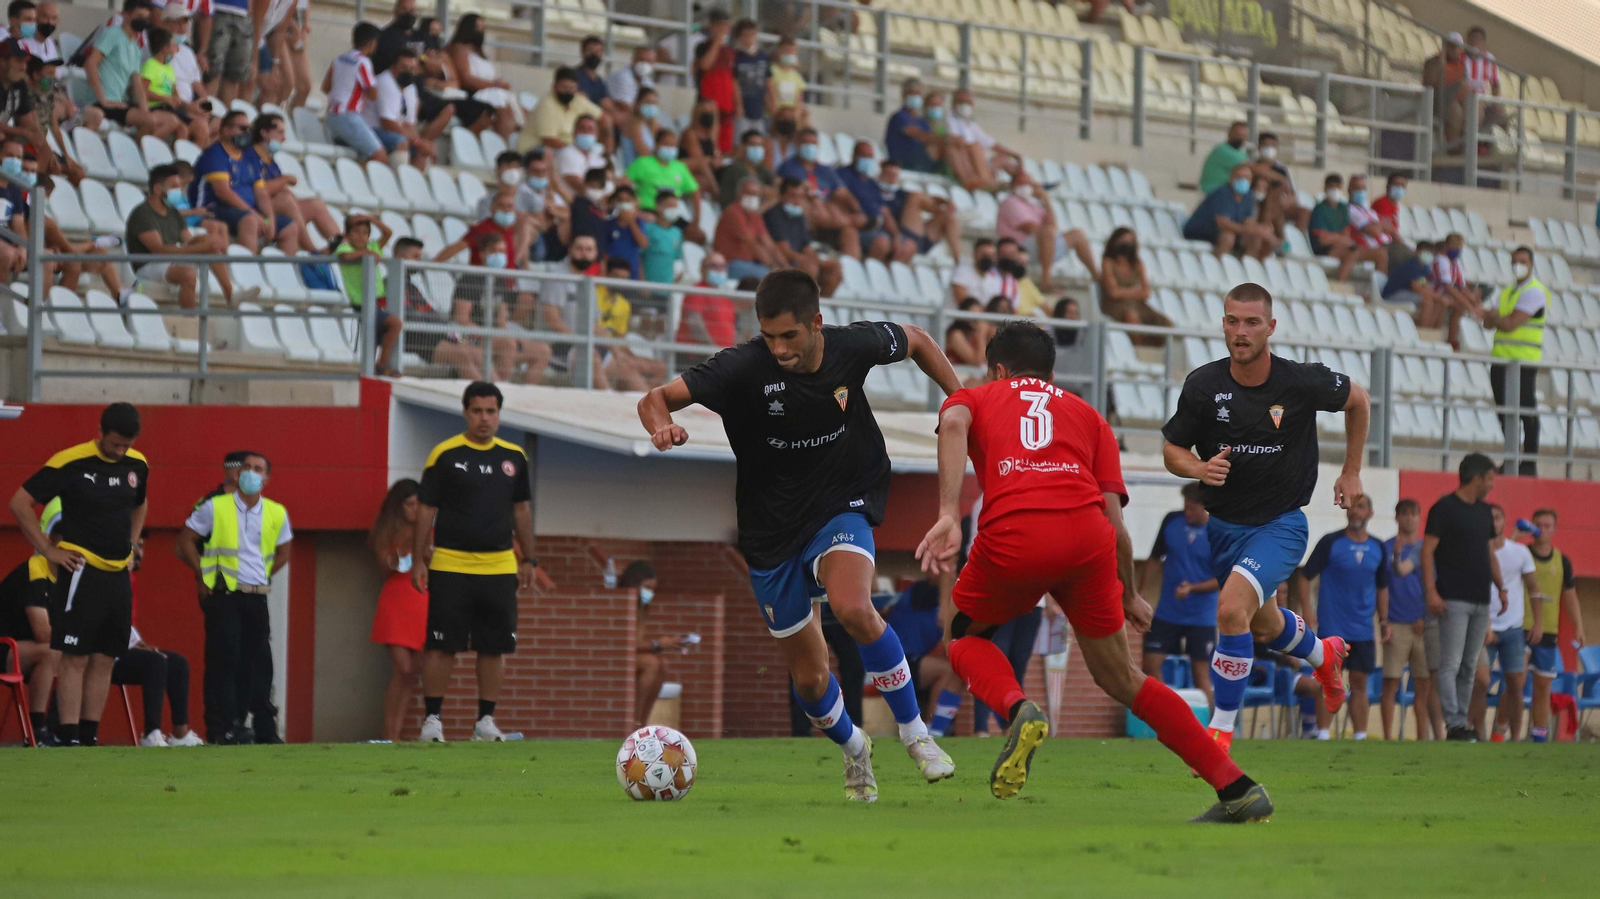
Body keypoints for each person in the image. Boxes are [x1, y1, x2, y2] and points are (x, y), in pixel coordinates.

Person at [914, 322, 1264, 819]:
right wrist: (1128, 593)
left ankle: (1017, 708)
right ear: (1052, 374)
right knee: (1123, 676)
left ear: (998, 371)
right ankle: (1236, 788)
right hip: (1088, 541)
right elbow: (1117, 526)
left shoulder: (978, 396)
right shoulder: (1090, 416)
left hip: (1015, 535)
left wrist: (949, 512)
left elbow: (952, 424)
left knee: (963, 637)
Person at [638, 269, 962, 801]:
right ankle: (855, 749)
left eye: (789, 335)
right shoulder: (742, 367)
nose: (779, 348)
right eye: (769, 336)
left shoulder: (852, 346)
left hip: (843, 501)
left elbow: (920, 341)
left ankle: (916, 735)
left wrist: (960, 402)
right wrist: (661, 426)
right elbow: (655, 397)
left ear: (816, 323)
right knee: (810, 680)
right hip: (771, 530)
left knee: (854, 607)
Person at [1161, 282, 1368, 758]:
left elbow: (1359, 400)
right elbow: (1172, 449)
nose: (1241, 331)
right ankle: (1323, 654)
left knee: (1230, 610)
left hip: (1281, 525)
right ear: (1223, 324)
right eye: (1233, 321)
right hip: (1223, 529)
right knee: (1263, 625)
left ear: (1270, 327)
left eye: (1252, 322)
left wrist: (1351, 470)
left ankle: (1220, 732)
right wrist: (1198, 468)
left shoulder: (1300, 381)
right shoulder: (1203, 385)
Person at [411, 382, 554, 742]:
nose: (484, 418)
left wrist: (530, 559)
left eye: (491, 411)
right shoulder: (444, 454)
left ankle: (485, 722)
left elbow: (521, 510)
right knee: (442, 644)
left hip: (499, 567)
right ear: (465, 412)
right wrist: (418, 559)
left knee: (495, 646)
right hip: (449, 564)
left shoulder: (514, 457)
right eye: (477, 411)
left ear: (499, 414)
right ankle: (432, 720)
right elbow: (426, 508)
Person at [7, 403, 147, 747]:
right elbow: (19, 503)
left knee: (105, 657)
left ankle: (89, 735)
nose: (120, 451)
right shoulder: (70, 461)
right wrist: (48, 550)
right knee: (75, 655)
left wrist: (132, 543)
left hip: (117, 573)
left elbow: (140, 502)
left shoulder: (137, 464)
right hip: (82, 570)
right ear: (100, 432)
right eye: (115, 444)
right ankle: (67, 734)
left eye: (126, 445)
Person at [175, 451, 291, 744]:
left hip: (256, 595)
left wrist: (262, 575)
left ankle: (249, 724)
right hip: (223, 594)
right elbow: (184, 542)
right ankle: (222, 727)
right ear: (238, 474)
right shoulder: (214, 506)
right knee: (223, 661)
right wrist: (203, 574)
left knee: (256, 663)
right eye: (246, 467)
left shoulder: (276, 512)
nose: (251, 472)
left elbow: (284, 552)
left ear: (267, 478)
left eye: (258, 468)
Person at [1421, 452, 1503, 742]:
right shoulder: (1444, 508)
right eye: (1490, 479)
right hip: (1453, 599)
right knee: (1451, 663)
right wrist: (1431, 591)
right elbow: (1427, 551)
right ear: (1477, 478)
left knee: (1469, 665)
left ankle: (1461, 722)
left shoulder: (1485, 512)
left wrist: (1501, 587)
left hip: (1481, 599)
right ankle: (1454, 723)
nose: (1492, 485)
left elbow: (1489, 553)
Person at [1297, 494, 1386, 740]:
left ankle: (1360, 736)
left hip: (1363, 629)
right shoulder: (1331, 542)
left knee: (1360, 681)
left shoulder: (1378, 547)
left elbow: (1382, 587)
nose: (1355, 511)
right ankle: (1323, 733)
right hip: (1332, 627)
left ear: (1370, 513)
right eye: (1352, 507)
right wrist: (1307, 611)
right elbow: (1304, 577)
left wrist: (1384, 620)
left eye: (1361, 507)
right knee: (1329, 681)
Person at [113, 534, 203, 747]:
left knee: (178, 662)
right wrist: (132, 643)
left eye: (141, 547)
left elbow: (125, 624)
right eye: (134, 547)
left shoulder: (130, 580)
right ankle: (151, 733)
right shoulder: (108, 580)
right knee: (155, 662)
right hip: (102, 655)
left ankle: (180, 734)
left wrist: (137, 642)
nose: (138, 553)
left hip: (122, 647)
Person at [127, 163, 254, 309]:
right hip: (148, 264)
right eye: (174, 186)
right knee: (188, 274)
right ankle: (189, 317)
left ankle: (231, 295)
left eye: (180, 186)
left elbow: (188, 239)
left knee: (207, 241)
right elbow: (158, 249)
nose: (180, 191)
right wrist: (200, 248)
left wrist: (208, 243)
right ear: (157, 189)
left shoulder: (173, 212)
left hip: (171, 258)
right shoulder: (142, 214)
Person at [1140, 482, 1219, 708]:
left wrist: (1192, 588)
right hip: (1168, 611)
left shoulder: (1219, 531)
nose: (1187, 512)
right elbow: (1155, 559)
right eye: (1186, 506)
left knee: (1200, 673)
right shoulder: (1171, 521)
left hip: (1201, 617)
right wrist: (1141, 593)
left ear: (1206, 506)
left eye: (1193, 508)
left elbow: (1223, 578)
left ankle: (1209, 724)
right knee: (1150, 664)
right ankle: (1165, 713)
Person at [1469, 245, 1544, 476]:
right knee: (1505, 413)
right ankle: (1512, 457)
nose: (1517, 266)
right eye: (1514, 261)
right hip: (1501, 361)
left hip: (1523, 362)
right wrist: (1493, 316)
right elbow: (1488, 323)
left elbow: (1511, 323)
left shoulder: (1534, 292)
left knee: (1526, 412)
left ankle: (1528, 462)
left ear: (1531, 264)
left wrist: (1493, 315)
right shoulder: (1507, 292)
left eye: (1522, 261)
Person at [369, 478, 428, 743]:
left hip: (423, 600)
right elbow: (386, 567)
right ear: (399, 505)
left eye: (419, 504)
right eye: (410, 504)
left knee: (412, 673)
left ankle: (397, 732)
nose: (416, 510)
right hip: (397, 600)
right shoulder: (387, 530)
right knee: (402, 669)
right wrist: (405, 549)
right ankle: (389, 733)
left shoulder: (431, 531)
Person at [195, 109, 301, 254]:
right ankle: (246, 266)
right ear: (225, 130)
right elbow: (223, 192)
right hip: (213, 209)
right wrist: (253, 213)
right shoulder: (216, 154)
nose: (247, 133)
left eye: (248, 129)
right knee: (250, 220)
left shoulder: (248, 157)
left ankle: (289, 268)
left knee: (289, 227)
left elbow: (261, 192)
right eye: (242, 128)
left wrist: (269, 218)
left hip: (245, 211)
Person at [0, 505, 58, 745]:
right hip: (5, 646)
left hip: (20, 650)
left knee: (82, 656)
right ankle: (38, 729)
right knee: (53, 651)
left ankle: (64, 731)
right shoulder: (36, 571)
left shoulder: (67, 578)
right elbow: (43, 633)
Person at [83, 0, 181, 141]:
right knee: (149, 121)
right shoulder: (113, 34)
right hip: (101, 103)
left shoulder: (135, 48)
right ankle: (136, 148)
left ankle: (136, 148)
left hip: (119, 103)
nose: (144, 21)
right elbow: (90, 63)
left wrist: (145, 112)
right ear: (127, 15)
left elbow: (138, 86)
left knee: (170, 121)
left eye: (146, 18)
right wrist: (103, 100)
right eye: (140, 16)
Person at [882, 574, 967, 737]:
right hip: (899, 660)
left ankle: (935, 729)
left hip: (916, 661)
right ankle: (933, 731)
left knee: (960, 669)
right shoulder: (921, 591)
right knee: (949, 671)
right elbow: (944, 620)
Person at [1525, 508, 1583, 742]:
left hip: (1548, 631)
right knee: (1515, 682)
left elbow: (1570, 596)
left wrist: (1579, 626)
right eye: (1538, 525)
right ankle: (1501, 734)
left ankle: (1539, 737)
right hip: (1521, 627)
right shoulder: (1522, 554)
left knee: (1543, 687)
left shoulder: (1562, 561)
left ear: (1555, 529)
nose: (1542, 530)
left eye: (1547, 526)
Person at [1381, 498, 1437, 740]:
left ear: (1419, 517)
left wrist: (1426, 617)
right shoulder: (1386, 548)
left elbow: (1433, 586)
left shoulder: (1427, 550)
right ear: (1396, 517)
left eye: (1413, 513)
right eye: (1404, 513)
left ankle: (1422, 738)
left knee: (1423, 686)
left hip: (1422, 625)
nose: (1409, 518)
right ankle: (1387, 737)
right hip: (1396, 623)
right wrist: (1384, 620)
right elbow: (1381, 586)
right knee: (1391, 682)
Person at [1482, 503, 1538, 741]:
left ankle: (1515, 737)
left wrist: (1538, 622)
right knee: (1480, 682)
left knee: (1516, 683)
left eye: (1497, 517)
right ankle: (1477, 734)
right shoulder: (1474, 550)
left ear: (1505, 521)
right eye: (1489, 518)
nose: (1493, 522)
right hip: (1483, 625)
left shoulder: (1520, 552)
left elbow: (1534, 588)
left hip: (1513, 627)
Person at [996, 170, 1096, 289]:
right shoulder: (1010, 202)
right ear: (1013, 185)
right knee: (1047, 233)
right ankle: (1046, 281)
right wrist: (1048, 230)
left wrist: (1046, 199)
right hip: (1019, 247)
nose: (1025, 187)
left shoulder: (1033, 205)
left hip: (1040, 245)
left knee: (1078, 234)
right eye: (1021, 183)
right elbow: (1030, 228)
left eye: (1028, 183)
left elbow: (1053, 225)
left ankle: (1096, 275)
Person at [775, 127, 862, 260]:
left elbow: (843, 194)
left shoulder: (826, 170)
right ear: (797, 145)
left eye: (813, 143)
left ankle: (850, 267)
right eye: (805, 143)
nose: (810, 147)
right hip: (806, 217)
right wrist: (817, 201)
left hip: (828, 216)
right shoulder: (789, 167)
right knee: (811, 205)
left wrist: (855, 208)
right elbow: (793, 192)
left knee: (850, 231)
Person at [335, 214, 403, 373]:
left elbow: (388, 233)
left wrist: (371, 219)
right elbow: (346, 256)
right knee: (395, 323)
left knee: (374, 336)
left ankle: (370, 370)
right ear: (347, 235)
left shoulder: (372, 247)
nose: (361, 236)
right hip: (361, 303)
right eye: (356, 232)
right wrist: (367, 254)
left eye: (365, 232)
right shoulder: (345, 248)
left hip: (376, 301)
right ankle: (382, 363)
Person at [322, 22, 393, 164]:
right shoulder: (363, 62)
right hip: (349, 117)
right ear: (372, 43)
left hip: (331, 115)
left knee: (355, 157)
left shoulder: (339, 58)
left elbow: (325, 87)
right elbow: (373, 94)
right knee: (379, 156)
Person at [369, 46, 446, 169]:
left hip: (391, 131)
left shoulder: (410, 87)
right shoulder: (385, 83)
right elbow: (387, 122)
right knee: (401, 142)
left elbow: (410, 124)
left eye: (412, 69)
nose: (408, 72)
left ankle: (415, 180)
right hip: (373, 129)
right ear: (394, 67)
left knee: (422, 150)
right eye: (404, 67)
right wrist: (417, 142)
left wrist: (420, 142)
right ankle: (398, 177)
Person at [764, 176, 842, 297]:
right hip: (782, 263)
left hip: (799, 260)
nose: (796, 201)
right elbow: (784, 250)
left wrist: (819, 260)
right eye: (792, 196)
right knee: (810, 267)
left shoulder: (799, 217)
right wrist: (811, 260)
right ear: (782, 195)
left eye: (800, 197)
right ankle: (804, 304)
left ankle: (821, 303)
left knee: (834, 268)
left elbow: (807, 246)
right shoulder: (774, 215)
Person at [624, 561, 680, 728]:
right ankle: (633, 721)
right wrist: (657, 644)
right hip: (613, 656)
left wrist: (662, 644)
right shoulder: (623, 603)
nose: (650, 593)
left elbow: (636, 641)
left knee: (663, 665)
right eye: (646, 587)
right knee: (651, 663)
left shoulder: (641, 608)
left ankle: (643, 720)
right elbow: (628, 643)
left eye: (652, 589)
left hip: (629, 656)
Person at [444, 14, 518, 139]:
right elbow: (466, 79)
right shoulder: (459, 49)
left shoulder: (480, 53)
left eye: (483, 27)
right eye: (478, 27)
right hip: (473, 94)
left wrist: (499, 84)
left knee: (521, 112)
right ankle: (503, 147)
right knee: (503, 110)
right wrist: (495, 85)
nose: (481, 31)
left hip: (491, 91)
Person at [1183, 164, 1274, 260]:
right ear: (1231, 178)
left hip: (1219, 232)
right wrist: (1250, 229)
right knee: (1228, 237)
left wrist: (1260, 229)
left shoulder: (1248, 196)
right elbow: (1223, 224)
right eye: (1239, 177)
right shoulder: (1222, 194)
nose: (1243, 180)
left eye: (1246, 178)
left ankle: (1247, 265)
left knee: (1256, 238)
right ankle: (1217, 264)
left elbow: (1248, 221)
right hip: (1200, 232)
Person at [1098, 226, 1171, 339]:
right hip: (1115, 306)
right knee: (1131, 316)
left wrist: (1123, 291)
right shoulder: (1108, 262)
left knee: (1164, 322)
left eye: (1130, 242)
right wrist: (1136, 291)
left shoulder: (1137, 264)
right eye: (1123, 241)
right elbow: (1113, 293)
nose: (1127, 245)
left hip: (1136, 304)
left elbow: (1146, 292)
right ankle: (1138, 347)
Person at [943, 88, 1020, 191]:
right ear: (953, 103)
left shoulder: (972, 125)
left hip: (978, 159)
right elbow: (956, 141)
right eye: (961, 102)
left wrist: (1015, 155)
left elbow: (992, 144)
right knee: (974, 147)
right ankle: (987, 182)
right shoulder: (948, 120)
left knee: (1004, 158)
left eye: (968, 103)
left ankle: (1024, 184)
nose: (964, 105)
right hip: (964, 159)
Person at [713, 176, 783, 281]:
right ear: (739, 193)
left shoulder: (755, 215)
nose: (752, 197)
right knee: (770, 277)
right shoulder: (733, 212)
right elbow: (752, 244)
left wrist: (786, 267)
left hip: (749, 264)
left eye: (755, 194)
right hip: (730, 264)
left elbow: (769, 243)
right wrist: (772, 265)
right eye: (748, 193)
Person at [674, 251, 738, 347]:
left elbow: (731, 328)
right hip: (697, 353)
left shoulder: (725, 297)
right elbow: (695, 324)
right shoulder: (696, 291)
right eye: (714, 266)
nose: (719, 270)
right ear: (702, 270)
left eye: (723, 266)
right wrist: (712, 349)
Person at [626, 129, 699, 212]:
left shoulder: (680, 167)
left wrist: (696, 217)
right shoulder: (643, 163)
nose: (670, 148)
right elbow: (625, 183)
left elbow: (694, 190)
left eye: (673, 145)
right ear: (657, 145)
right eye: (666, 144)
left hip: (672, 213)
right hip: (647, 211)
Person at [1381, 241, 1446, 327]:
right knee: (1427, 301)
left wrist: (1438, 298)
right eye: (1425, 252)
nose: (1428, 255)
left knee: (1438, 302)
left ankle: (1432, 330)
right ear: (1417, 252)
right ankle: (1423, 330)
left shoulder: (1425, 267)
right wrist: (1438, 297)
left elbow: (1424, 285)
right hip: (1393, 293)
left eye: (1430, 253)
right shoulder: (1412, 265)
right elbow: (1416, 288)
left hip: (1407, 292)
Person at [884, 77, 936, 174]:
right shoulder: (899, 117)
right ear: (904, 95)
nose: (915, 97)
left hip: (920, 159)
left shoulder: (921, 121)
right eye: (912, 93)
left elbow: (931, 138)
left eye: (918, 94)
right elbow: (918, 135)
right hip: (904, 161)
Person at [718, 129, 776, 208]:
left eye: (760, 145)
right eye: (753, 145)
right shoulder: (735, 169)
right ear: (744, 147)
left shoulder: (763, 171)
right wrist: (763, 190)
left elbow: (775, 190)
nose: (757, 149)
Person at [729, 18, 767, 138]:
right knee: (741, 140)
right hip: (742, 110)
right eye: (745, 36)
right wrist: (738, 105)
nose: (749, 39)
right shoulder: (735, 57)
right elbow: (734, 82)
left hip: (759, 110)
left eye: (752, 35)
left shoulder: (763, 57)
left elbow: (768, 81)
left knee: (758, 140)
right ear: (738, 37)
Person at [950, 238, 1012, 305]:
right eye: (984, 254)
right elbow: (963, 302)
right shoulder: (962, 271)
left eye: (991, 255)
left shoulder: (994, 279)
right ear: (975, 254)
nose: (988, 258)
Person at [765, 36, 807, 134]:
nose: (789, 53)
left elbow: (799, 100)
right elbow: (767, 93)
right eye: (786, 50)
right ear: (779, 52)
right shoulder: (771, 71)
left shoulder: (797, 76)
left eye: (792, 51)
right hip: (772, 118)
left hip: (790, 121)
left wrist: (795, 117)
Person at [1199, 121, 1250, 196]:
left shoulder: (1241, 153)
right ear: (1229, 133)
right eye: (1237, 134)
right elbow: (1253, 169)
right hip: (1213, 193)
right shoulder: (1222, 150)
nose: (1239, 138)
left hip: (1227, 193)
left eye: (1243, 135)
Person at [607, 44, 655, 109]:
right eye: (641, 60)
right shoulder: (622, 77)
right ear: (633, 59)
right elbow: (624, 106)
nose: (644, 64)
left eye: (649, 61)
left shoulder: (647, 80)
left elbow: (650, 103)